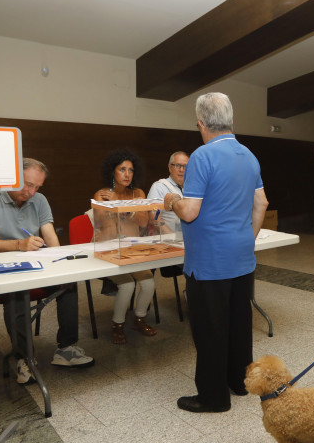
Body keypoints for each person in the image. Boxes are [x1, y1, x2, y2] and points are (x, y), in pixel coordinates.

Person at [162, 92, 269, 413]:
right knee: (239, 324)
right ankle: (239, 382)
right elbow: (261, 203)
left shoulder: (203, 157)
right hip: (241, 257)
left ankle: (213, 397)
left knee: (210, 330)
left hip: (209, 262)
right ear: (230, 120)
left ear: (201, 124)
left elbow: (191, 211)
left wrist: (171, 201)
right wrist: (245, 240)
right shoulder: (249, 156)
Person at [0, 157, 94, 384]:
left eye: (37, 187)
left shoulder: (38, 200)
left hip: (35, 263)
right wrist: (18, 245)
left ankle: (66, 348)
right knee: (19, 292)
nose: (31, 192)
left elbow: (49, 234)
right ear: (12, 177)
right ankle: (24, 357)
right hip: (1, 267)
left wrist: (61, 261)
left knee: (68, 283)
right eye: (28, 185)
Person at [91, 149, 158, 344]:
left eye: (130, 170)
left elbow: (144, 222)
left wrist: (121, 205)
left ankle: (139, 318)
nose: (127, 174)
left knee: (149, 283)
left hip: (133, 250)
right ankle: (117, 325)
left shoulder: (138, 193)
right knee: (127, 285)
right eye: (122, 169)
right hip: (109, 251)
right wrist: (119, 205)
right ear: (113, 172)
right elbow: (106, 228)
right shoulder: (102, 194)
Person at [147, 151, 189, 236]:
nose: (181, 170)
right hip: (168, 241)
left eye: (185, 166)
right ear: (170, 167)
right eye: (177, 165)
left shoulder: (192, 188)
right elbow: (154, 217)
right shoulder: (159, 186)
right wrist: (172, 236)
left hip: (189, 241)